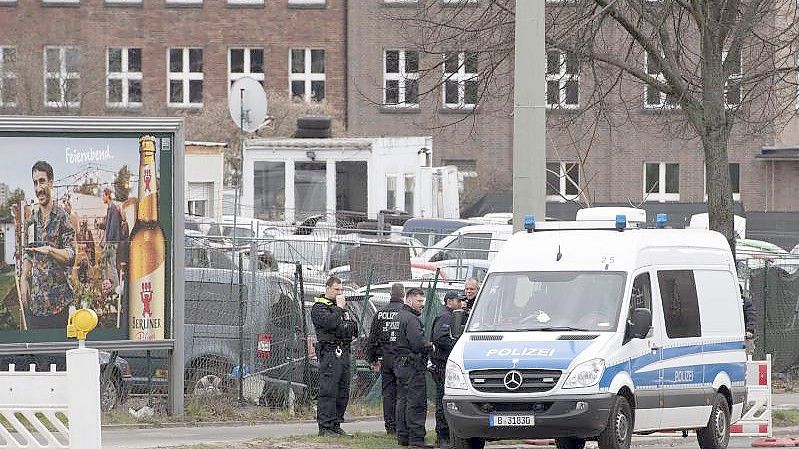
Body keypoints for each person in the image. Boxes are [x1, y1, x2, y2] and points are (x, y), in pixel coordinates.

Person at [20, 161, 76, 330]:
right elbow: (28, 253)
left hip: (59, 305)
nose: (38, 188)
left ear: (51, 182)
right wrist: (23, 277)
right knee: (39, 355)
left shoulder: (62, 217)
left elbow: (71, 255)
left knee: (59, 354)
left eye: (42, 181)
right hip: (36, 307)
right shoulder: (31, 221)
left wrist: (50, 251)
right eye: (35, 183)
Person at [310, 276, 358, 437]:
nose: (339, 292)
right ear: (327, 288)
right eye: (336, 289)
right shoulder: (319, 307)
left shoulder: (341, 308)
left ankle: (336, 423)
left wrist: (341, 317)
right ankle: (325, 426)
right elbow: (330, 324)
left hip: (344, 350)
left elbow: (353, 327)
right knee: (329, 390)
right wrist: (338, 310)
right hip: (330, 351)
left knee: (343, 390)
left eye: (341, 290)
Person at [395, 287, 434, 449]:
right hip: (412, 366)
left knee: (402, 401)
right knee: (416, 403)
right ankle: (416, 439)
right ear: (409, 299)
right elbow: (418, 343)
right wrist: (430, 346)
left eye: (422, 302)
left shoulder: (398, 316)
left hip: (400, 364)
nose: (421, 305)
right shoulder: (411, 319)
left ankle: (403, 436)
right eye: (419, 301)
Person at [365, 283, 405, 436]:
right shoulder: (405, 313)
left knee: (388, 393)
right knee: (402, 392)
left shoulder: (380, 313)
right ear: (403, 294)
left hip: (386, 357)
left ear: (390, 294)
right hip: (401, 358)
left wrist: (373, 357)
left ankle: (390, 426)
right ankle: (401, 424)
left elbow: (373, 338)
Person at [430, 290, 465, 449]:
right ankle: (442, 436)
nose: (460, 303)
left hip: (445, 363)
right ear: (449, 301)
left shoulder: (452, 315)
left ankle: (447, 436)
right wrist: (457, 346)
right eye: (458, 300)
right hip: (442, 364)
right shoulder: (446, 316)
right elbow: (439, 338)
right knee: (442, 401)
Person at [101, 187, 122, 288]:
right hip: (110, 242)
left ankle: (117, 288)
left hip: (112, 242)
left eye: (103, 195)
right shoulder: (110, 208)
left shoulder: (113, 209)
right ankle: (108, 286)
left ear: (107, 195)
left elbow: (113, 227)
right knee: (105, 264)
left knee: (111, 265)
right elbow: (108, 225)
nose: (102, 198)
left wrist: (107, 243)